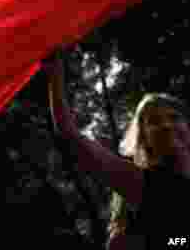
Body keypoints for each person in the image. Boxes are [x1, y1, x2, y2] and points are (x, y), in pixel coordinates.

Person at [44, 54, 190, 249]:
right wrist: (55, 71)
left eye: (174, 117)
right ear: (145, 140)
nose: (166, 125)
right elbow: (71, 135)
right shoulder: (149, 185)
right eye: (154, 121)